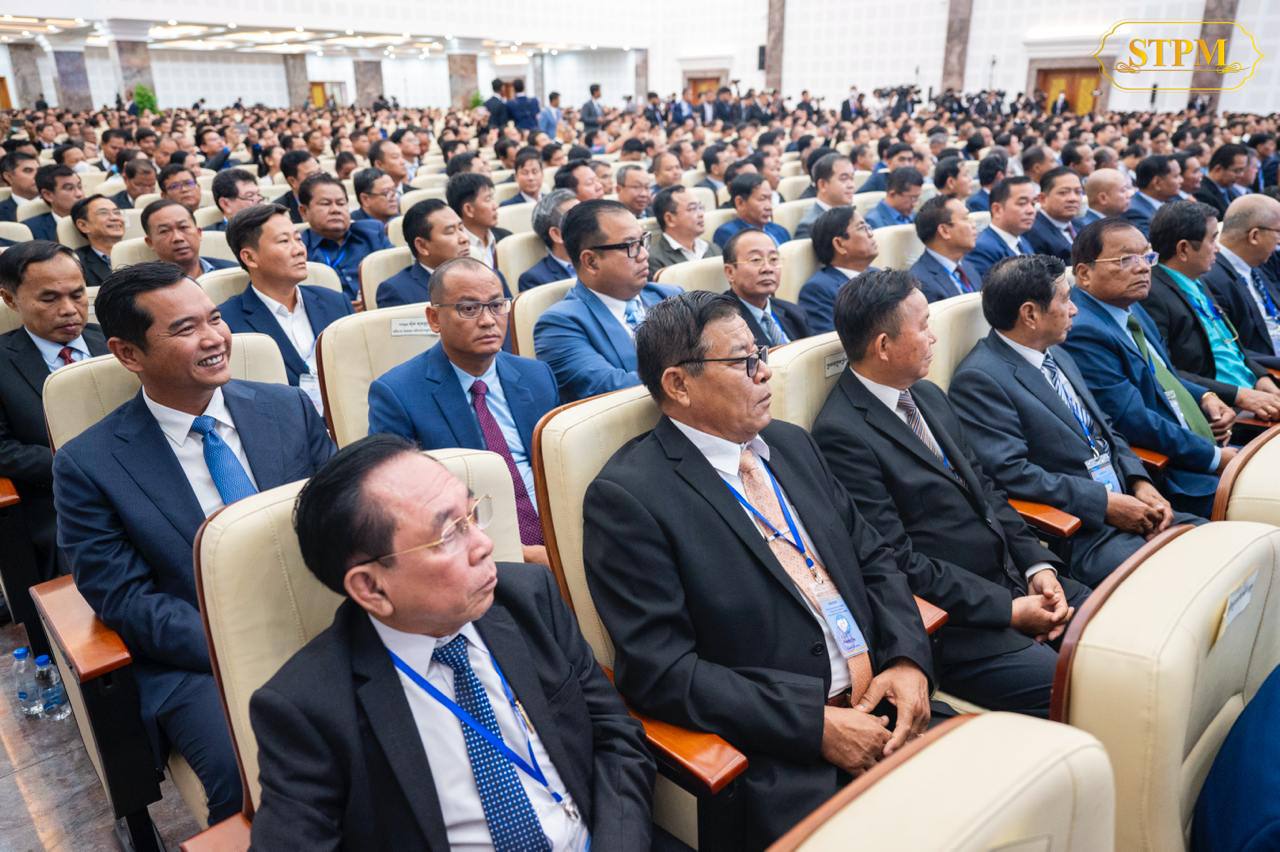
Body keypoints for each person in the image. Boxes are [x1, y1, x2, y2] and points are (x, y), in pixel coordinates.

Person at [584, 290, 937, 847]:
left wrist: (907, 659)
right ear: (678, 384)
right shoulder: (629, 498)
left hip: (886, 705)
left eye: (762, 353)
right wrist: (813, 726)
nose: (765, 372)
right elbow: (661, 671)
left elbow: (874, 559)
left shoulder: (791, 445)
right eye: (744, 361)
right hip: (785, 755)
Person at [248, 435, 654, 849]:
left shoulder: (529, 598)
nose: (484, 545)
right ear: (371, 587)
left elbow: (614, 735)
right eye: (449, 535)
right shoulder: (307, 709)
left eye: (472, 514)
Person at [54, 261, 335, 828]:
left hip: (323, 620)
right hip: (196, 656)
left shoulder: (287, 408)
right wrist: (237, 644)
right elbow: (125, 599)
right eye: (185, 329)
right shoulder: (88, 464)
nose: (213, 339)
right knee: (249, 772)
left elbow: (339, 522)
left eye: (214, 319)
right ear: (128, 353)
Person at [813, 268, 1088, 715]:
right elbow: (898, 561)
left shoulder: (926, 395)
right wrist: (1008, 609)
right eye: (923, 326)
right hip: (961, 623)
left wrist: (1037, 566)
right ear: (883, 346)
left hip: (1015, 578)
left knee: (1119, 635)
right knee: (1081, 686)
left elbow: (987, 491)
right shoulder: (841, 434)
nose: (934, 337)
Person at [951, 255, 1200, 587]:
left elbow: (1106, 429)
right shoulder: (980, 379)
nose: (1075, 310)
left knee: (1218, 547)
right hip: (1085, 531)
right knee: (1184, 580)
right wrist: (1104, 504)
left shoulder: (1058, 353)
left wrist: (1140, 482)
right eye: (1066, 299)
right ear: (1030, 314)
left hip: (1131, 504)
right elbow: (1012, 473)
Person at [368, 256, 557, 565]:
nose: (488, 320)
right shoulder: (397, 394)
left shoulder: (537, 376)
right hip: (473, 553)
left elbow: (557, 471)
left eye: (496, 305)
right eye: (469, 309)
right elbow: (402, 505)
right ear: (434, 318)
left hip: (559, 533)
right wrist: (516, 553)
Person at [1061, 218, 1235, 518]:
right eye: (1126, 259)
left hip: (1199, 445)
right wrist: (1216, 458)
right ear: (1085, 274)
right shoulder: (1083, 331)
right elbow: (1134, 421)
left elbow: (1161, 375)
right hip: (1174, 476)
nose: (1143, 268)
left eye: (1146, 256)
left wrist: (1204, 396)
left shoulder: (1131, 305)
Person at [0, 242, 109, 586]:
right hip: (56, 500)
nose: (69, 310)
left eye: (77, 295)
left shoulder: (116, 342)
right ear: (10, 299)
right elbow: (3, 450)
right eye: (49, 299)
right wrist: (79, 468)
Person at [1141, 200, 1280, 420]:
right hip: (1223, 410)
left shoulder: (1196, 281)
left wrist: (1262, 378)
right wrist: (1240, 395)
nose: (1218, 248)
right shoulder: (1152, 295)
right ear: (1184, 249)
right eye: (1213, 239)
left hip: (1251, 395)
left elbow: (1233, 349)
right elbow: (1166, 372)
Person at [533, 200, 681, 402]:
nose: (644, 254)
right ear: (591, 261)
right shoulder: (559, 325)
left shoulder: (670, 295)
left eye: (643, 241)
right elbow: (612, 389)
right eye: (631, 245)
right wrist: (694, 377)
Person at [221, 203, 353, 398]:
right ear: (250, 258)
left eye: (298, 239)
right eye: (284, 241)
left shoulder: (336, 302)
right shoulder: (227, 322)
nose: (299, 250)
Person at [1204, 194, 1280, 366]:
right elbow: (1232, 350)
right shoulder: (1212, 279)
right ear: (1254, 236)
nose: (1279, 242)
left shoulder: (1254, 265)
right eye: (1278, 232)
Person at [298, 173, 393, 304]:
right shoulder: (300, 250)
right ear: (304, 211)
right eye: (325, 204)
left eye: (341, 203)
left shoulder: (373, 233)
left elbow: (396, 277)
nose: (335, 210)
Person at [376, 198, 473, 308]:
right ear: (422, 246)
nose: (464, 238)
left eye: (461, 228)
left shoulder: (482, 275)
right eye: (450, 232)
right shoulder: (397, 292)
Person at [723, 228, 810, 347]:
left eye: (773, 259)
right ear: (730, 272)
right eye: (755, 260)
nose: (767, 268)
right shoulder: (722, 322)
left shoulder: (795, 313)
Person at [799, 206, 879, 333]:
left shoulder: (877, 274)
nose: (870, 234)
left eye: (868, 227)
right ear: (839, 244)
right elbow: (831, 341)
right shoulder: (818, 290)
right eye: (862, 228)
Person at [910, 196, 983, 301]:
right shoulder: (920, 283)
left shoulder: (968, 267)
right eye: (966, 218)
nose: (974, 225)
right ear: (944, 231)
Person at [141, 200, 237, 279]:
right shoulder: (143, 286)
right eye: (164, 231)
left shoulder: (232, 273)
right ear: (150, 242)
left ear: (199, 233)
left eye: (183, 227)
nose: (177, 238)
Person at [965, 176, 1036, 281]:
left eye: (1033, 204)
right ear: (997, 209)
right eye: (1022, 203)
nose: (1031, 210)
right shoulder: (982, 249)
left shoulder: (1022, 240)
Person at [647, 185, 720, 278]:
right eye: (693, 208)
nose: (701, 214)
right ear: (669, 219)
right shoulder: (653, 259)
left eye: (701, 207)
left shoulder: (713, 249)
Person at [448, 172, 511, 271]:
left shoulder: (505, 237)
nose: (495, 206)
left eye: (492, 198)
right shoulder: (456, 252)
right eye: (488, 199)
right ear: (469, 209)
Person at [519, 190, 579, 292]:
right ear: (557, 234)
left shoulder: (599, 260)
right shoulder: (534, 279)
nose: (589, 221)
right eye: (576, 217)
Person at [713, 174, 790, 248]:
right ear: (740, 203)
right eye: (762, 199)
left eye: (770, 199)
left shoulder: (780, 231)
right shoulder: (728, 234)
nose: (769, 207)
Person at [1024, 167, 1084, 263]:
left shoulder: (1081, 225)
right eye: (1063, 193)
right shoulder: (1032, 231)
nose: (1073, 198)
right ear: (1042, 199)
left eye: (1078, 192)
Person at [794, 154, 856, 239]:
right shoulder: (809, 227)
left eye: (852, 178)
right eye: (844, 179)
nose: (851, 185)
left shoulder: (854, 215)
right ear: (822, 185)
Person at [69, 195, 125, 287]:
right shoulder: (76, 263)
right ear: (83, 225)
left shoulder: (139, 252)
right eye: (103, 213)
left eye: (117, 212)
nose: (115, 217)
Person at [1125, 155, 1181, 237]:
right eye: (1176, 176)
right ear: (1157, 182)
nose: (1181, 180)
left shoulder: (1173, 200)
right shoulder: (1135, 212)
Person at [27, 164, 83, 242]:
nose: (79, 194)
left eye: (79, 187)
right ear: (48, 195)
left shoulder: (94, 219)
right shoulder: (31, 230)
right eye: (69, 188)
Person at [1196, 144, 1249, 217]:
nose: (1241, 175)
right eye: (1237, 171)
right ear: (1218, 169)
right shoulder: (1202, 195)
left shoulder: (1230, 190)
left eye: (1242, 170)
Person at [280, 150, 321, 223]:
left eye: (319, 172)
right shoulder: (280, 210)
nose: (320, 178)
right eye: (312, 175)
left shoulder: (334, 197)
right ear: (292, 181)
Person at [0, 151, 39, 221]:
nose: (37, 176)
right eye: (28, 171)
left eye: (39, 171)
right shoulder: (2, 212)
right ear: (9, 177)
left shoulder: (55, 204)